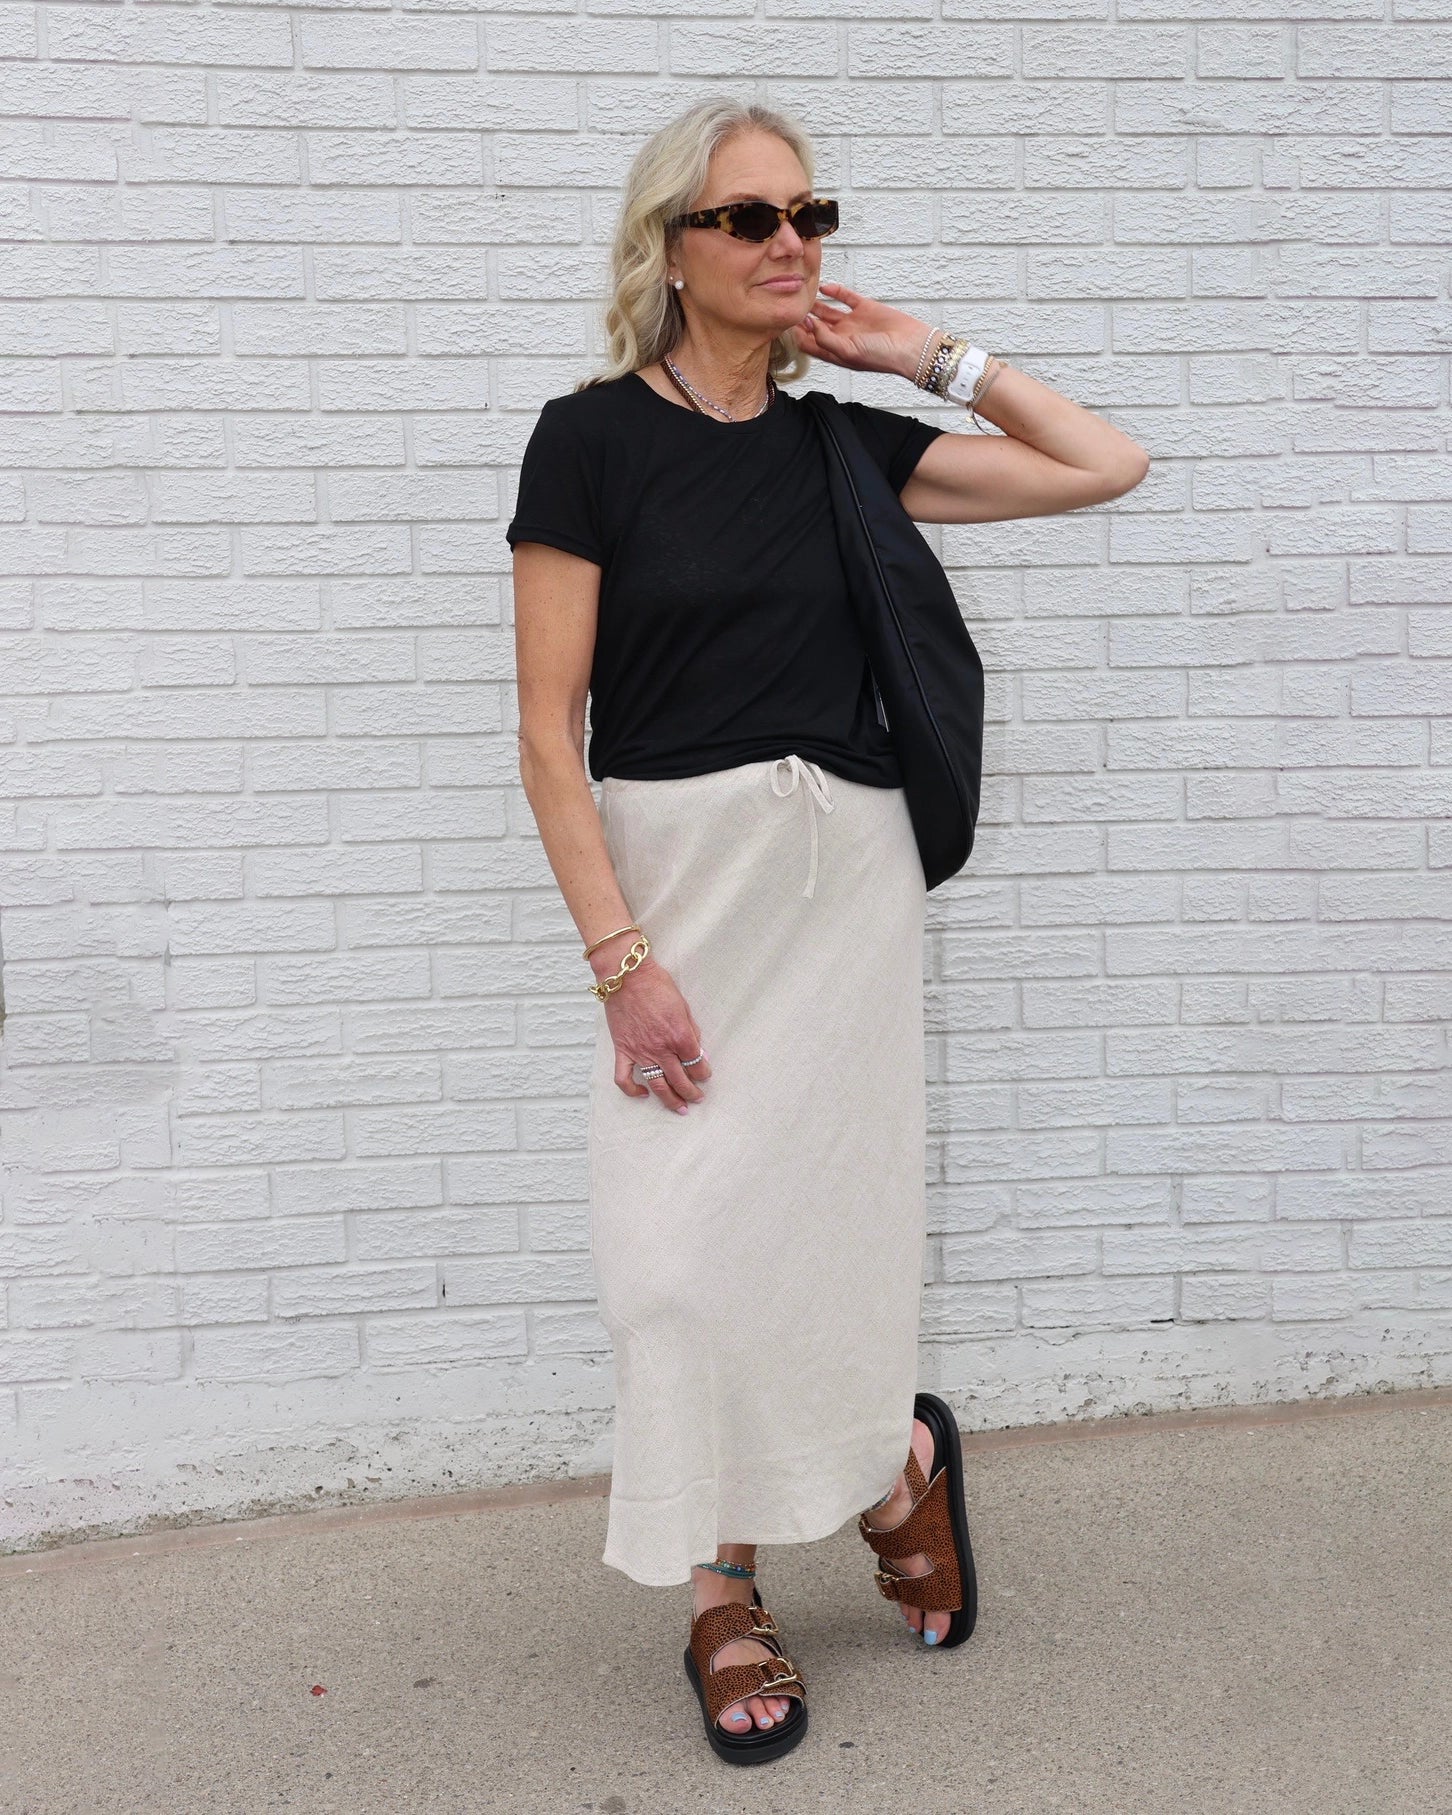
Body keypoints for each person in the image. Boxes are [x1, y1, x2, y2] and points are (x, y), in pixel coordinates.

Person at [507, 96, 1150, 1765]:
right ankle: (792, 1539)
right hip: (682, 894)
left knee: (826, 1238)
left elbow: (1105, 464)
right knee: (675, 1268)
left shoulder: (841, 447)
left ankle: (861, 1486)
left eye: (811, 213)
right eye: (750, 218)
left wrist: (928, 357)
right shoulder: (587, 442)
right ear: (670, 248)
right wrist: (621, 963)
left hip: (843, 880)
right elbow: (545, 730)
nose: (792, 242)